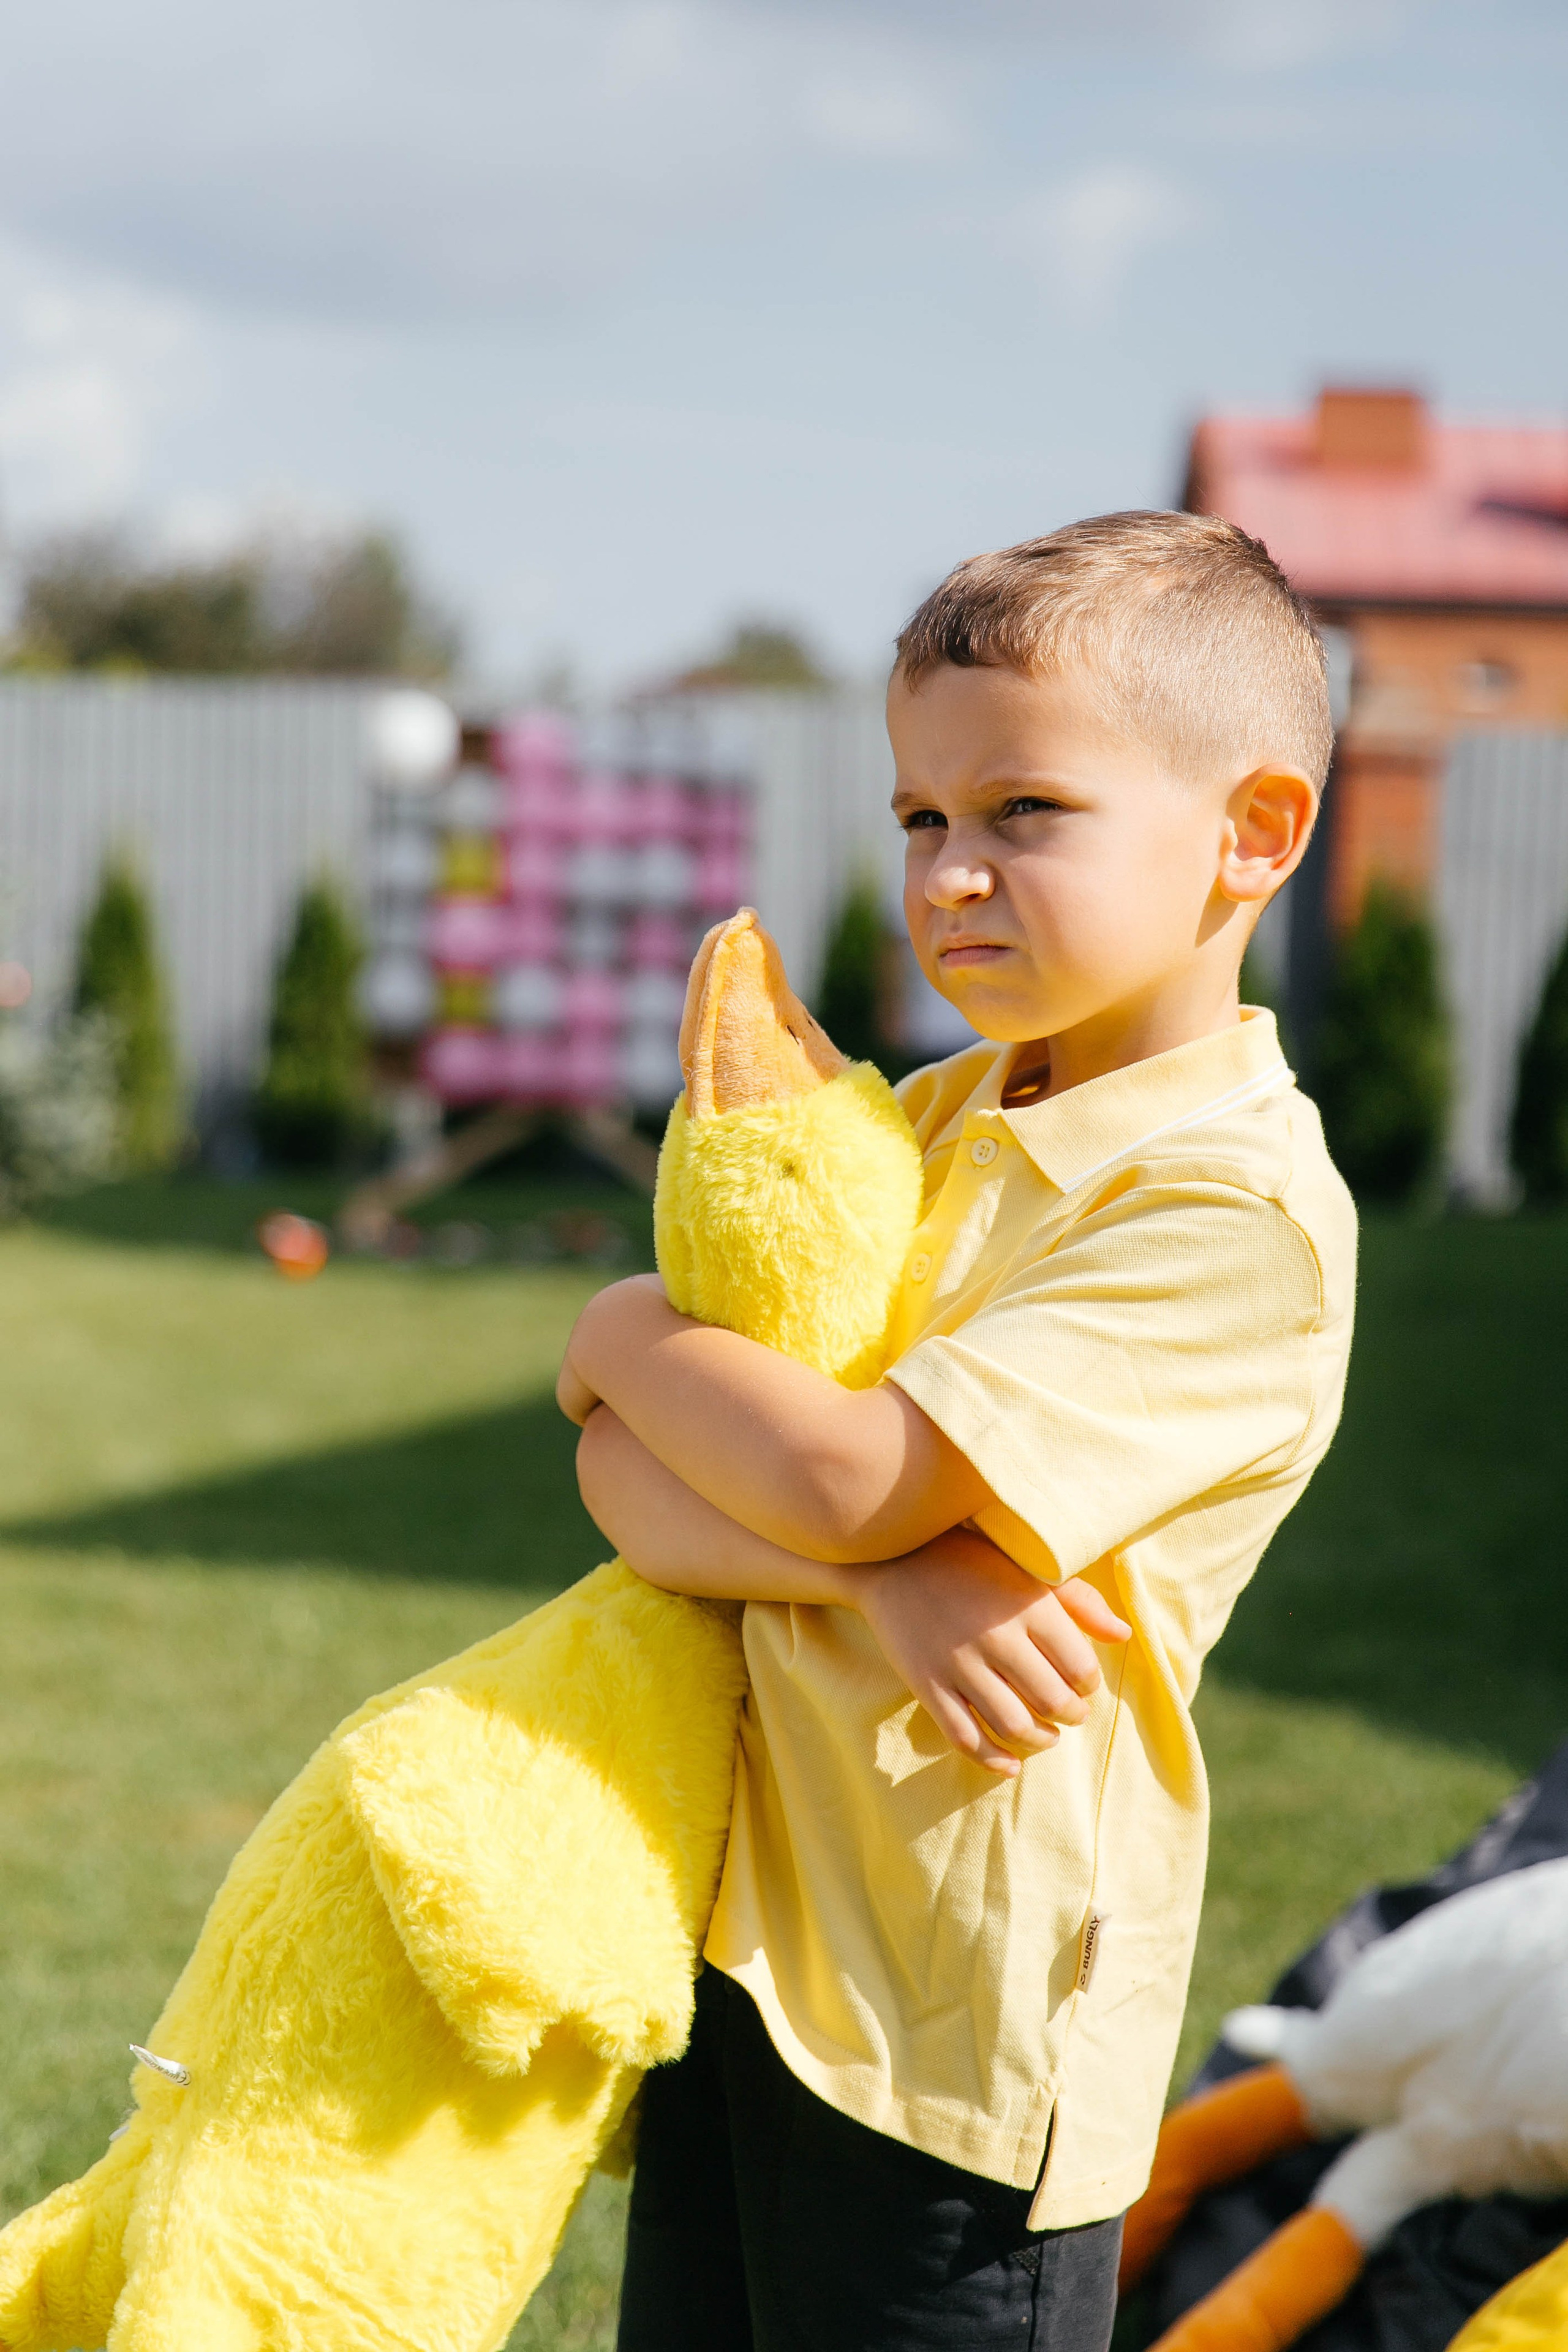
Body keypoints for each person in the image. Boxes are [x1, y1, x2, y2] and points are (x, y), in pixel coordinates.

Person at [556, 510, 1358, 2352]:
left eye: (1024, 814)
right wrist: (896, 1580)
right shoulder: (911, 1125)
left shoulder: (1224, 1207)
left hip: (954, 2047)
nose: (949, 875)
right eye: (922, 819)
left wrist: (626, 1346)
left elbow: (832, 1469)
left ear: (1250, 835)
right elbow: (629, 1483)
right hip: (749, 1953)